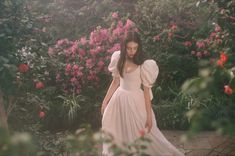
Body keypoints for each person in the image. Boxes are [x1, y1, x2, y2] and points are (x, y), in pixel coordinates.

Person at [101, 31, 185, 156]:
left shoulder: (144, 64)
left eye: (135, 48)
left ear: (138, 47)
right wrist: (105, 101)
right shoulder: (119, 58)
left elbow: (146, 93)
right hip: (119, 99)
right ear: (124, 47)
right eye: (129, 48)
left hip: (136, 101)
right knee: (119, 129)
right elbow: (115, 82)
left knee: (139, 131)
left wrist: (149, 117)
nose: (132, 51)